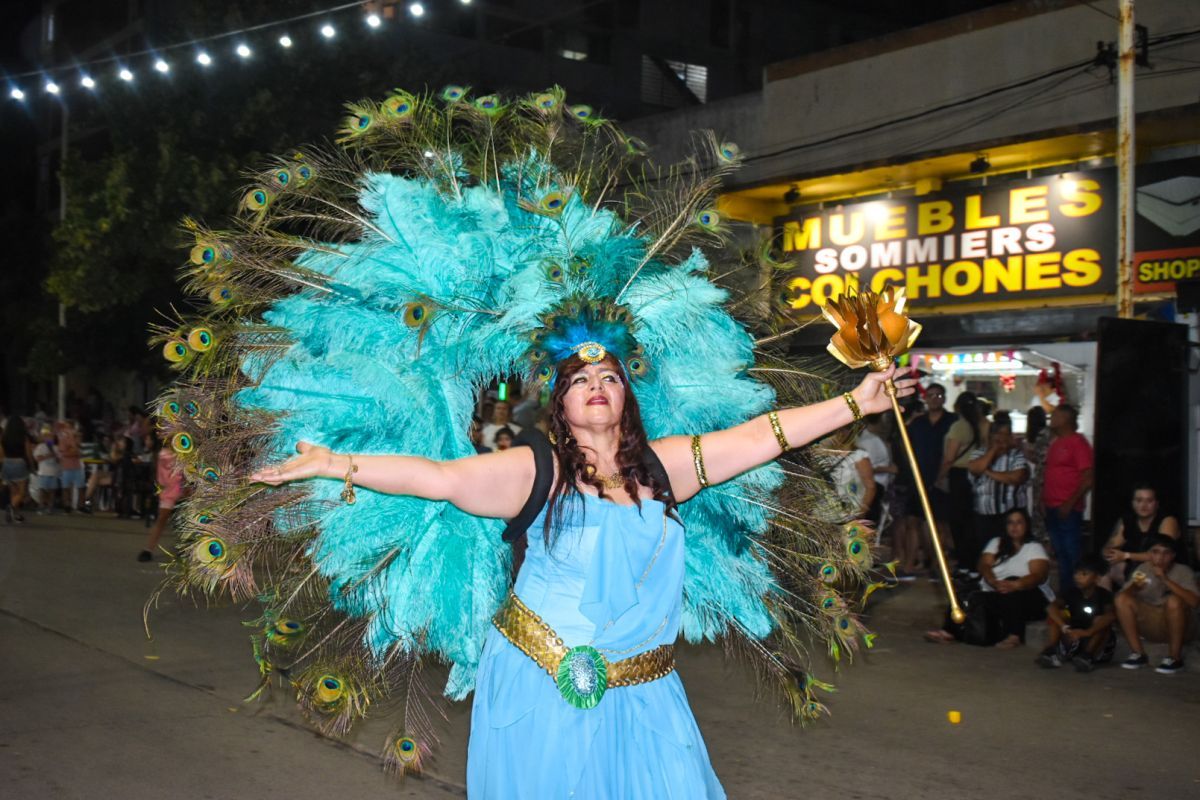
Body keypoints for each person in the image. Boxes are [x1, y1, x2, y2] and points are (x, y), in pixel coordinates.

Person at [252, 352, 914, 797]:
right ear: (560, 405)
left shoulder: (666, 466)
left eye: (611, 379)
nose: (597, 387)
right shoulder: (535, 471)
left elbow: (761, 436)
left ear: (626, 397)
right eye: (579, 381)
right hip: (544, 681)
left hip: (647, 689)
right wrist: (337, 462)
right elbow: (438, 479)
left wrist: (856, 402)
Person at [925, 507, 1051, 648]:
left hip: (1027, 594)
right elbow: (984, 564)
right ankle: (949, 630)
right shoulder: (996, 542)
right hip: (996, 589)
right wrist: (992, 581)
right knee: (966, 593)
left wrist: (1016, 585)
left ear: (1026, 525)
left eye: (1019, 522)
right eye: (1010, 523)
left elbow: (1038, 575)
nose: (1014, 527)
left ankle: (1015, 635)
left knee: (1013, 590)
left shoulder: (1034, 547)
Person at [1115, 534, 1199, 674]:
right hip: (1152, 624)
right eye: (1155, 552)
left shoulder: (1183, 571)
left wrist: (1165, 579)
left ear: (1173, 556)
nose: (1160, 558)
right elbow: (1123, 597)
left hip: (1182, 626)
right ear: (1149, 554)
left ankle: (1175, 658)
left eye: (1166, 553)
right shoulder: (1143, 569)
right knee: (1121, 599)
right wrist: (1134, 587)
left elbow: (1194, 602)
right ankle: (1138, 654)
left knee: (1173, 601)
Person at [905, 383, 956, 572]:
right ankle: (911, 562)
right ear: (925, 399)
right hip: (918, 478)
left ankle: (938, 563)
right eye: (931, 395)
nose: (935, 399)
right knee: (913, 521)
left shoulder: (952, 421)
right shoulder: (917, 424)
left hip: (942, 479)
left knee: (941, 523)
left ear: (944, 398)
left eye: (939, 395)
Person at [1042, 404, 1093, 591]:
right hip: (1051, 506)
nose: (1052, 418)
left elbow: (1088, 477)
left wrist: (1070, 503)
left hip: (1068, 508)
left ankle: (1077, 595)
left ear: (1066, 419)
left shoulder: (1077, 443)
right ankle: (1065, 595)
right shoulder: (1055, 442)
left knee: (1072, 555)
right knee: (1060, 554)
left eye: (1056, 415)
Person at [967, 414, 1029, 567]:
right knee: (986, 553)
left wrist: (988, 472)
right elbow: (975, 468)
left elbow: (1015, 478)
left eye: (1006, 434)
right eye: (998, 434)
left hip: (1010, 515)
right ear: (991, 436)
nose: (1002, 438)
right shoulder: (979, 453)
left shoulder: (1016, 455)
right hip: (984, 515)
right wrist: (993, 450)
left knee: (1012, 553)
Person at [1035, 555, 1115, 672]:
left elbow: (1111, 616)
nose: (1077, 577)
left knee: (1100, 621)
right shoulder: (1071, 592)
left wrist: (1087, 632)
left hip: (1096, 640)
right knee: (1060, 613)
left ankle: (1088, 657)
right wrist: (1064, 626)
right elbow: (1051, 607)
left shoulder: (1104, 595)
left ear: (1097, 578)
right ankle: (1051, 650)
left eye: (1084, 574)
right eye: (1076, 573)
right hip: (1074, 635)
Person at [939, 391, 987, 573]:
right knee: (970, 521)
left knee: (958, 522)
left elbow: (949, 457)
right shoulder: (978, 425)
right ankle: (973, 562)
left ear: (957, 406)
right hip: (974, 475)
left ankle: (964, 563)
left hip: (959, 475)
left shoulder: (959, 427)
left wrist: (940, 476)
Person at [1102, 483, 1184, 588]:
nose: (1143, 505)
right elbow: (1111, 545)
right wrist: (1109, 552)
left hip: (1166, 570)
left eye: (1149, 501)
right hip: (1138, 569)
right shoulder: (1127, 520)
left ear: (1157, 503)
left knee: (1138, 575)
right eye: (1139, 500)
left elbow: (1161, 557)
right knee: (1104, 572)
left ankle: (1129, 598)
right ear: (1132, 503)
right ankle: (1108, 603)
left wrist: (1125, 555)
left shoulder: (1167, 521)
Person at [139, 436, 186, 562]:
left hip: (183, 489)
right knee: (162, 519)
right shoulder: (164, 454)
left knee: (185, 521)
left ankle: (184, 548)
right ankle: (148, 549)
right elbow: (163, 477)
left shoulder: (183, 453)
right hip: (170, 491)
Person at [856, 413, 894, 524]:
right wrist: (889, 469)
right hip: (874, 487)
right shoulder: (869, 441)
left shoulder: (872, 439)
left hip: (878, 487)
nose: (887, 424)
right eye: (886, 420)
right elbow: (865, 468)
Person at [1023, 405, 1050, 543]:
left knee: (1037, 509)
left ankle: (1040, 540)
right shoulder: (1048, 435)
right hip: (1042, 478)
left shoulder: (1036, 438)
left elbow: (1039, 458)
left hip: (1036, 479)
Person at [1, 414, 33, 523]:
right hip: (19, 462)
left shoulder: (5, 436)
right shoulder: (23, 436)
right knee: (21, 492)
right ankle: (11, 507)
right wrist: (31, 465)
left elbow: (2, 452)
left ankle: (16, 515)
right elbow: (28, 453)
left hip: (7, 462)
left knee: (13, 491)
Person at [56, 420, 86, 513]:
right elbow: (64, 452)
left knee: (81, 486)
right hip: (66, 466)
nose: (67, 429)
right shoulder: (62, 438)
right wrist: (72, 450)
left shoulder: (77, 436)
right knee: (66, 487)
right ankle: (67, 505)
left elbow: (78, 450)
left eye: (69, 427)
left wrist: (72, 450)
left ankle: (81, 506)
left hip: (77, 466)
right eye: (66, 427)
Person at [31, 425, 61, 513]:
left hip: (53, 473)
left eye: (50, 436)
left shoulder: (56, 448)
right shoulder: (40, 446)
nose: (49, 438)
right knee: (42, 490)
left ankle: (50, 507)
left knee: (52, 491)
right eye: (46, 436)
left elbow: (59, 460)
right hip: (43, 472)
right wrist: (48, 455)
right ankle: (41, 506)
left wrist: (53, 453)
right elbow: (37, 459)